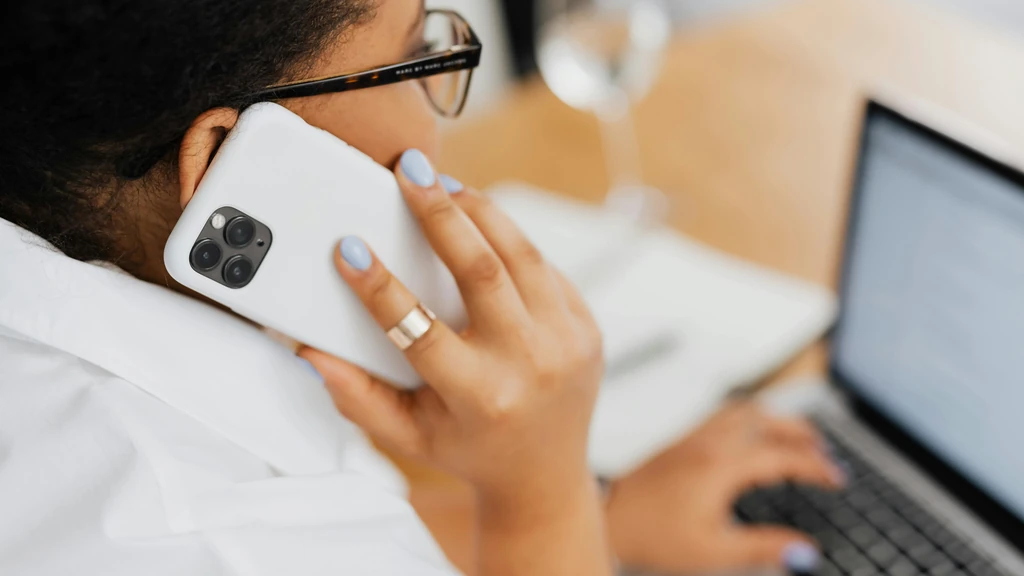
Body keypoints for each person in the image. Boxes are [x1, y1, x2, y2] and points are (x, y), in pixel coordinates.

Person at [0, 0, 845, 574]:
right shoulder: (211, 544)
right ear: (222, 163)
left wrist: (605, 515)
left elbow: (338, 525)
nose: (438, 111)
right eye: (412, 57)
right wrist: (543, 500)